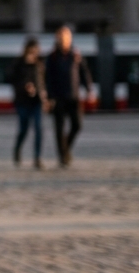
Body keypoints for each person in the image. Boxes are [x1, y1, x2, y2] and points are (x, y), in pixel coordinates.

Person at [45, 25, 93, 167]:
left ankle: (66, 147)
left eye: (66, 37)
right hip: (58, 97)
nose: (64, 40)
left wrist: (89, 89)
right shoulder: (52, 57)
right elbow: (48, 78)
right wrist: (49, 97)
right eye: (61, 37)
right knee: (59, 128)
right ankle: (62, 156)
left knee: (77, 125)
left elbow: (84, 72)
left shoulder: (75, 55)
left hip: (73, 96)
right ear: (57, 39)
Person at [9, 37, 46, 169]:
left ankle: (37, 158)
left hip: (37, 101)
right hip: (22, 101)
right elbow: (11, 79)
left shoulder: (40, 63)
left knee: (38, 128)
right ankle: (17, 149)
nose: (34, 53)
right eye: (31, 50)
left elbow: (43, 81)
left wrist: (44, 94)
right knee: (24, 129)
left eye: (36, 50)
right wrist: (25, 85)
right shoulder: (18, 63)